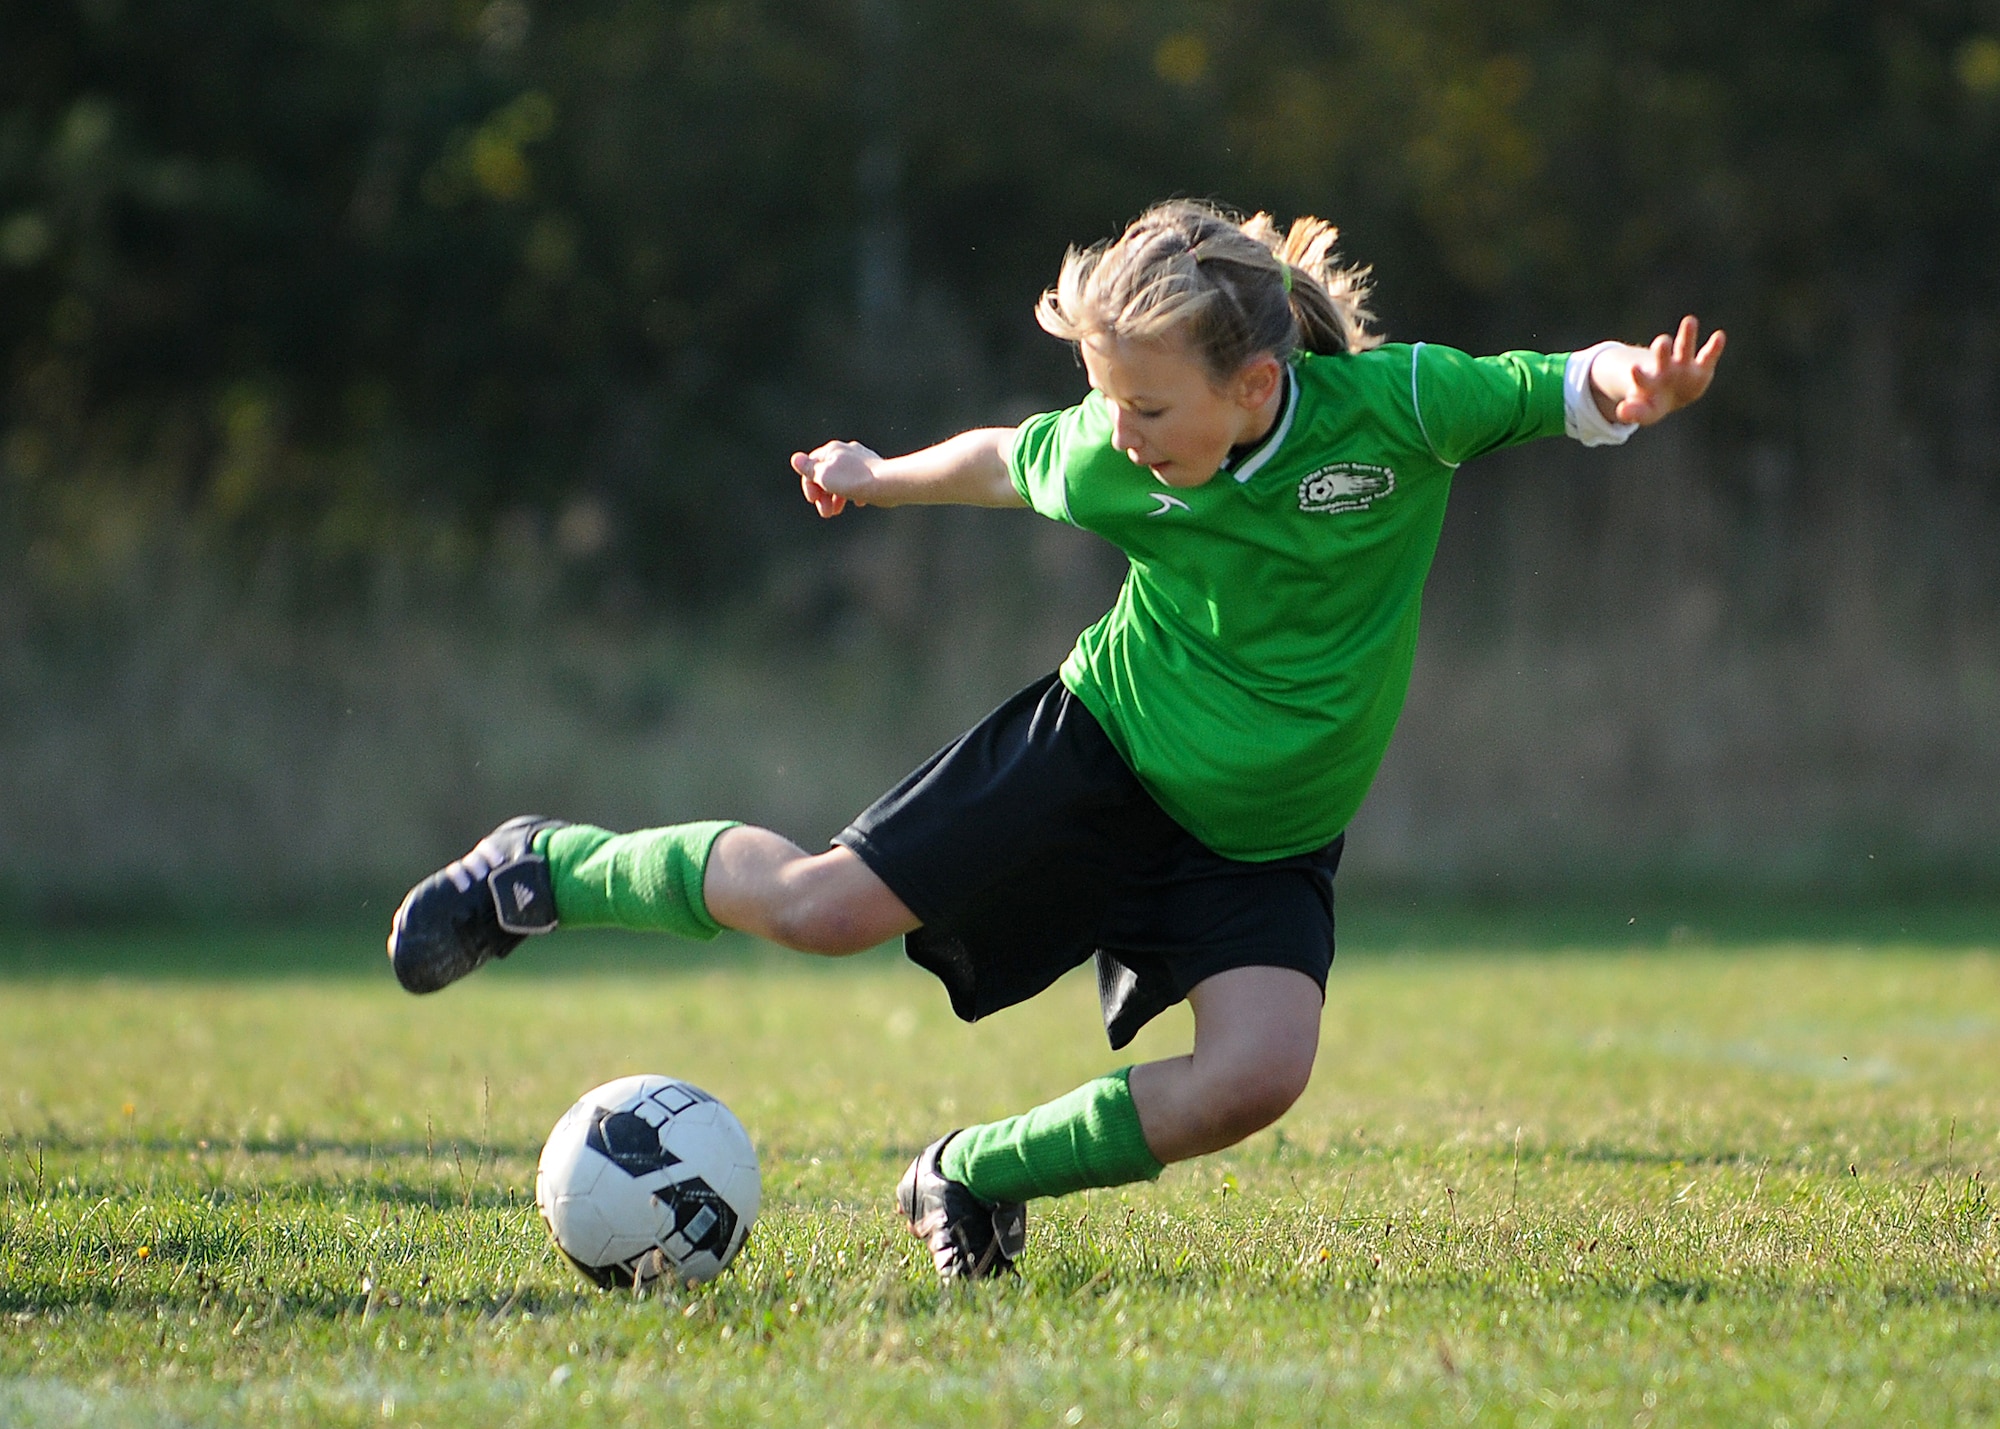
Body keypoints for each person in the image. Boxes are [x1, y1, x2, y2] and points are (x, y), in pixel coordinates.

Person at [387, 199, 1725, 1282]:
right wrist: (873, 472)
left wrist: (1633, 382)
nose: (1121, 436)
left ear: (1257, 382)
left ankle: (969, 1174)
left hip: (1263, 841)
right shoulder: (1112, 451)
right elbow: (997, 455)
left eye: (1148, 409)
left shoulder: (1402, 410)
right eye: (1108, 402)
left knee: (1260, 1075)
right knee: (821, 908)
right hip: (1096, 756)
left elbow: (1555, 384)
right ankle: (542, 867)